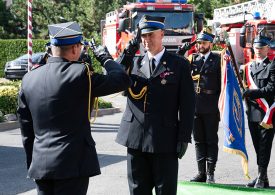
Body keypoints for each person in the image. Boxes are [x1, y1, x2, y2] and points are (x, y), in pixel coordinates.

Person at [17, 21, 130, 195]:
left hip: (41, 166)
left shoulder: (29, 79)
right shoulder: (80, 73)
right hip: (71, 166)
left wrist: (34, 164)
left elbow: (27, 131)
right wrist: (105, 58)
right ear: (75, 48)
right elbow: (122, 80)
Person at [115, 15, 195, 195]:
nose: (146, 40)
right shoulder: (133, 62)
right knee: (137, 190)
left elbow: (188, 104)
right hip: (135, 140)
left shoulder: (179, 64)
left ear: (162, 34)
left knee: (165, 190)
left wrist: (184, 136)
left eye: (151, 35)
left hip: (164, 140)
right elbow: (115, 80)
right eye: (143, 36)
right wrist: (127, 53)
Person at [187, 31, 221, 183]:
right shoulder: (192, 59)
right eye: (199, 43)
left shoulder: (218, 60)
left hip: (211, 105)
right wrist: (182, 52)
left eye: (204, 43)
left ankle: (211, 173)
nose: (201, 46)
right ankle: (201, 172)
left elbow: (222, 85)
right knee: (199, 140)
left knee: (211, 140)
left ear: (210, 44)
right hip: (195, 106)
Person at [243, 36, 275, 188]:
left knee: (264, 146)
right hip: (253, 112)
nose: (258, 50)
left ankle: (261, 177)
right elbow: (243, 86)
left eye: (261, 48)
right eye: (256, 48)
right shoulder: (249, 67)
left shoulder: (272, 66)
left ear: (268, 49)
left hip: (267, 113)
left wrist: (250, 93)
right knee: (257, 146)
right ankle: (263, 177)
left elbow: (271, 89)